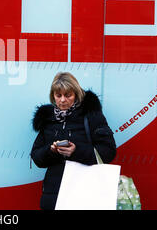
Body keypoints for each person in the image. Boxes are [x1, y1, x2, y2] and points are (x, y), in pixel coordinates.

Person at [30, 72, 116, 210]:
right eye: (58, 96)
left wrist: (76, 151)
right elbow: (36, 157)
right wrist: (51, 151)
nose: (63, 100)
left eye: (68, 95)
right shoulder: (48, 119)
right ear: (53, 96)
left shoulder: (91, 116)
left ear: (76, 94)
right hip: (53, 194)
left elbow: (109, 151)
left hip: (84, 193)